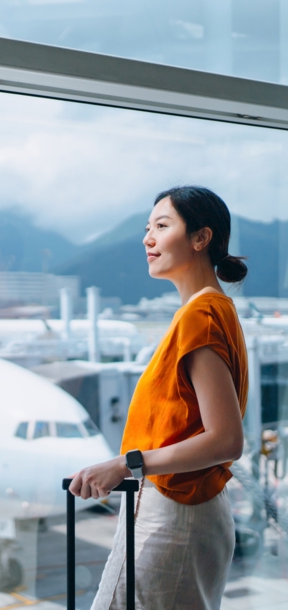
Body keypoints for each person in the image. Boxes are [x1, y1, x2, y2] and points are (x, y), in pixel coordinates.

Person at [69, 186, 248, 610]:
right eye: (147, 228)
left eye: (162, 226)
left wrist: (125, 463)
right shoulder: (214, 309)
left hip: (177, 514)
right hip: (192, 509)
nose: (148, 239)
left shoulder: (200, 316)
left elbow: (226, 440)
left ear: (201, 238)